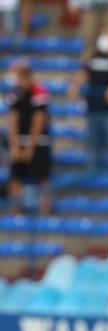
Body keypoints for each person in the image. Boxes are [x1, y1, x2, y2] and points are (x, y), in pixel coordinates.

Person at [69, 28, 108, 172]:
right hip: (94, 106)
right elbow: (83, 72)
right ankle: (91, 171)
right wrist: (74, 87)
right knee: (92, 142)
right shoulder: (94, 55)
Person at [5, 59, 52, 216]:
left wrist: (30, 148)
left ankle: (45, 211)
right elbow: (13, 119)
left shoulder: (38, 91)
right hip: (20, 140)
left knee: (42, 177)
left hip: (38, 142)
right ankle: (16, 212)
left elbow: (38, 120)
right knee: (15, 177)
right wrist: (15, 147)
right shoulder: (15, 93)